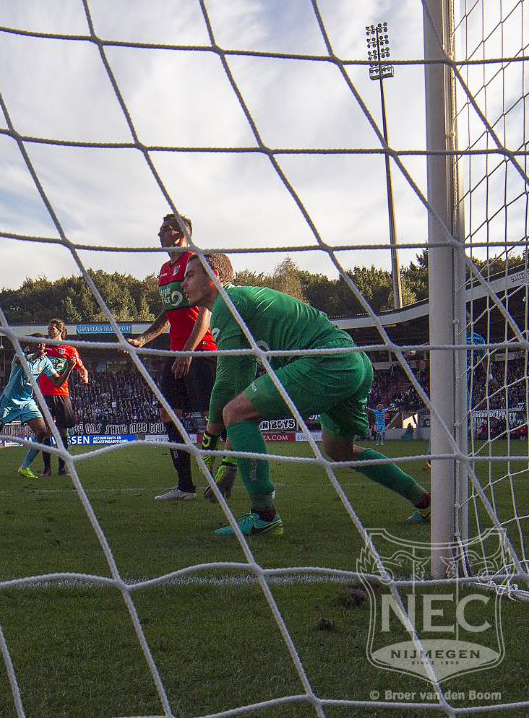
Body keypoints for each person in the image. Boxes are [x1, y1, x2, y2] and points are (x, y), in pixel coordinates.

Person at [181, 253, 431, 536]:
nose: (183, 284)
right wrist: (227, 453)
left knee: (236, 412)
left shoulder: (228, 304)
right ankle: (425, 501)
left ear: (213, 275)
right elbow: (238, 381)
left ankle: (264, 515)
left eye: (190, 276)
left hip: (327, 362)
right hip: (354, 362)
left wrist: (214, 444)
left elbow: (227, 384)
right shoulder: (243, 301)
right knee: (339, 451)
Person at [127, 213, 235, 502]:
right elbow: (167, 314)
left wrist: (188, 350)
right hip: (176, 352)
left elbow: (206, 311)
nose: (158, 234)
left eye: (164, 229)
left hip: (201, 351)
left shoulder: (196, 261)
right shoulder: (164, 269)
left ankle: (242, 475)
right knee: (168, 412)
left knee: (220, 418)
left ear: (180, 233)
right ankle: (185, 486)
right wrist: (143, 338)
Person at [0, 338, 61, 479]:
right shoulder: (19, 355)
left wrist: (69, 368)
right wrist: (35, 356)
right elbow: (23, 359)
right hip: (8, 401)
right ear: (29, 346)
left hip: (27, 401)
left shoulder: (44, 361)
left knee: (42, 432)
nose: (41, 348)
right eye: (38, 345)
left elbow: (57, 381)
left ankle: (24, 467)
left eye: (43, 346)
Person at [36, 319, 87, 476]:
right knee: (46, 431)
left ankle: (62, 467)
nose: (50, 331)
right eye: (48, 328)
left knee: (62, 431)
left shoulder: (70, 350)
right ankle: (47, 468)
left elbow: (81, 367)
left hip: (62, 394)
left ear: (60, 330)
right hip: (44, 393)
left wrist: (84, 375)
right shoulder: (44, 348)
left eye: (52, 328)